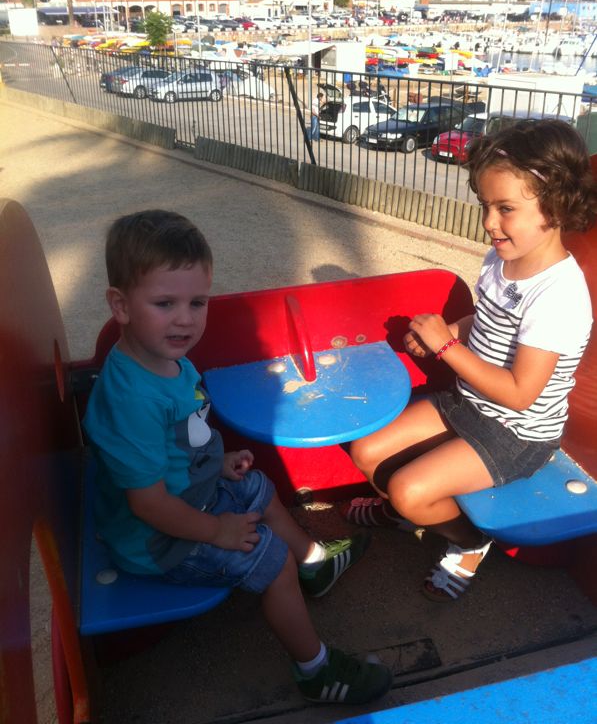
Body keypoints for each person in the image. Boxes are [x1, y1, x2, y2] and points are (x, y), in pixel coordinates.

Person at [83, 209, 392, 705]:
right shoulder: (132, 399)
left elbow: (182, 440)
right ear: (120, 305)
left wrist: (218, 462)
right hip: (157, 540)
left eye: (197, 302)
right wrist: (217, 531)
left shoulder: (165, 358)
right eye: (165, 303)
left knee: (256, 487)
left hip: (189, 495)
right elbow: (148, 504)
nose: (185, 318)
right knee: (270, 558)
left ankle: (314, 563)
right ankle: (314, 670)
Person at [342, 119, 597, 601]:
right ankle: (407, 514)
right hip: (469, 402)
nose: (488, 222)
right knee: (366, 451)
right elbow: (488, 318)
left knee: (409, 489)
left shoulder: (558, 296)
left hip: (517, 435)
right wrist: (451, 332)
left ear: (557, 204)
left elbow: (521, 396)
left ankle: (467, 542)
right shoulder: (501, 258)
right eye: (485, 205)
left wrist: (446, 348)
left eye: (505, 209)